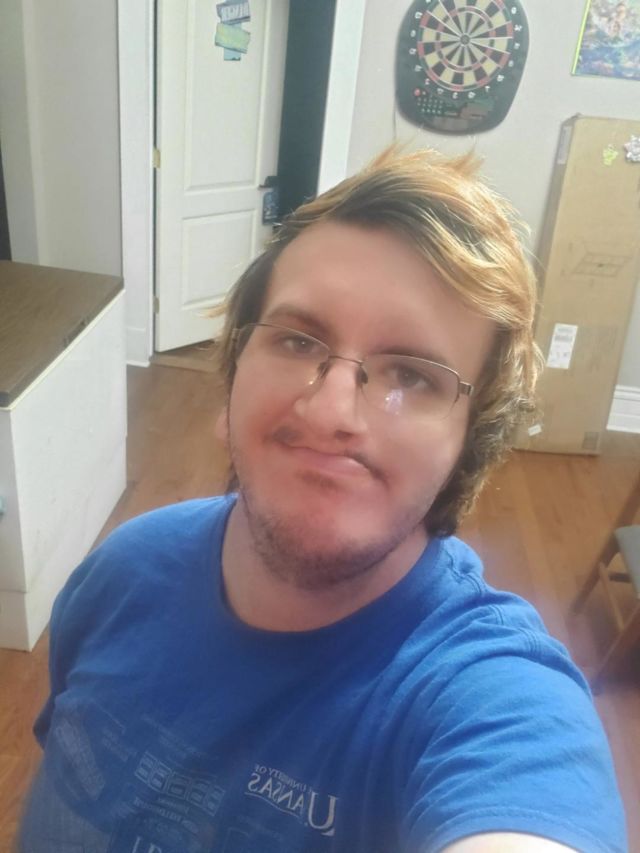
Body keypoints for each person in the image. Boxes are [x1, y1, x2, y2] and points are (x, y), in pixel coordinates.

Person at [19, 148, 626, 853]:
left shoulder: (491, 701)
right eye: (298, 340)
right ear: (233, 379)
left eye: (413, 375)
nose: (332, 409)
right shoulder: (121, 572)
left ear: (469, 441)